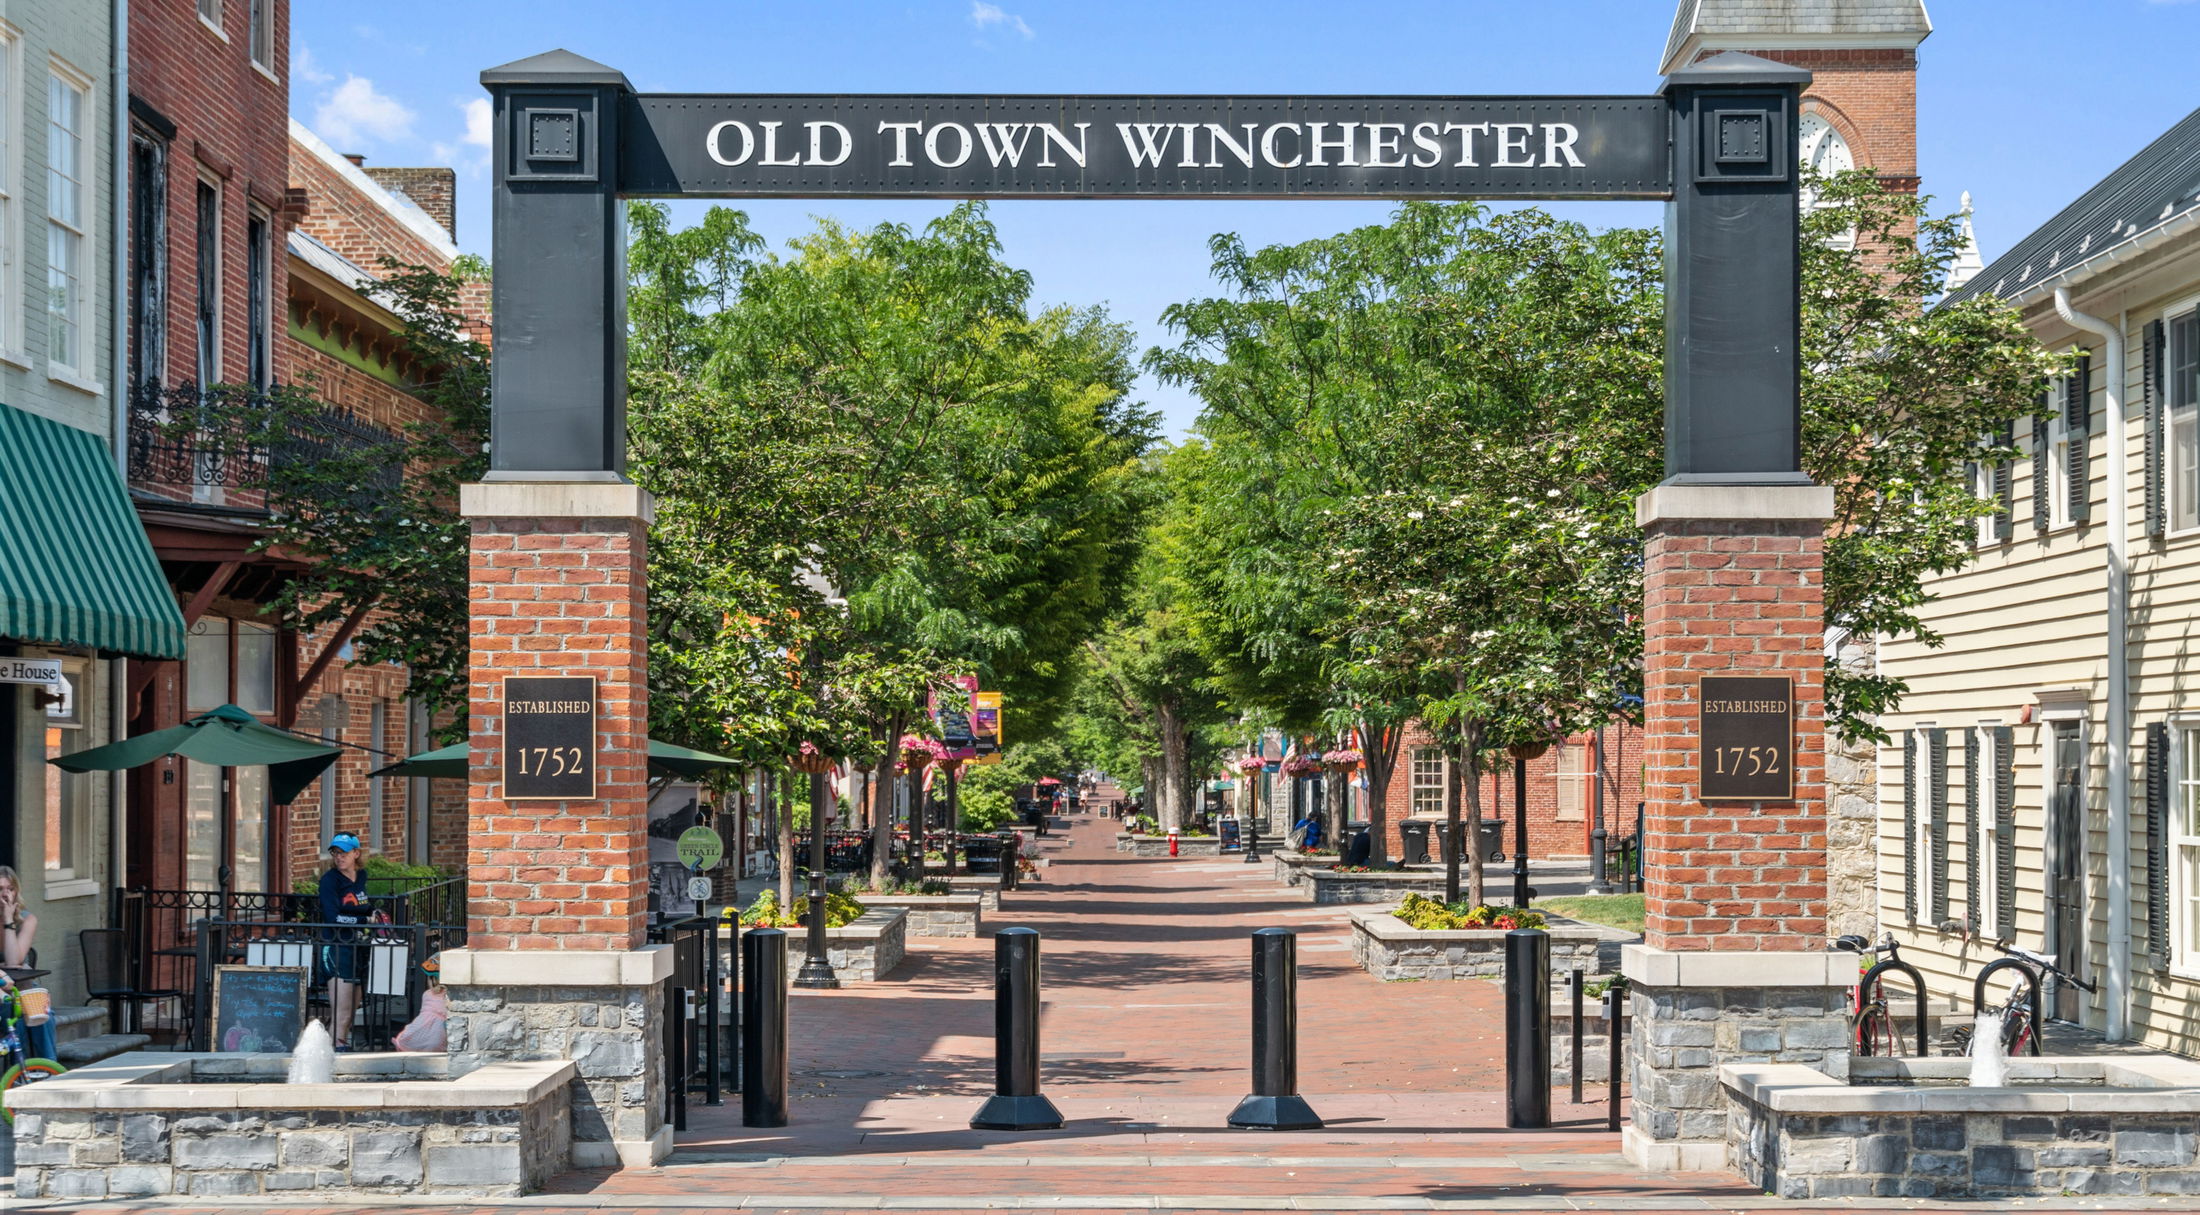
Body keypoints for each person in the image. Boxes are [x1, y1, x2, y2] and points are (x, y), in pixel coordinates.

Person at [318, 834, 374, 1052]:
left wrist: (374, 912)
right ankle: (335, 1049)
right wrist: (363, 920)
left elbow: (361, 905)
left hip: (357, 945)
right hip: (336, 945)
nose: (339, 858)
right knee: (341, 1009)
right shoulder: (330, 881)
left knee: (352, 1009)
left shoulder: (360, 876)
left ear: (356, 854)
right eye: (335, 853)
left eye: (344, 853)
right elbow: (332, 917)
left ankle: (336, 1046)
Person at [0, 865, 59, 1063]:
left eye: (10, 889)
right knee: (15, 1016)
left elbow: (13, 960)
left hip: (19, 985)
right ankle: (19, 1074)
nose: (6, 894)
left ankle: (48, 1068)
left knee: (43, 1015)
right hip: (2, 987)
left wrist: (8, 920)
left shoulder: (27, 919)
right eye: (0, 889)